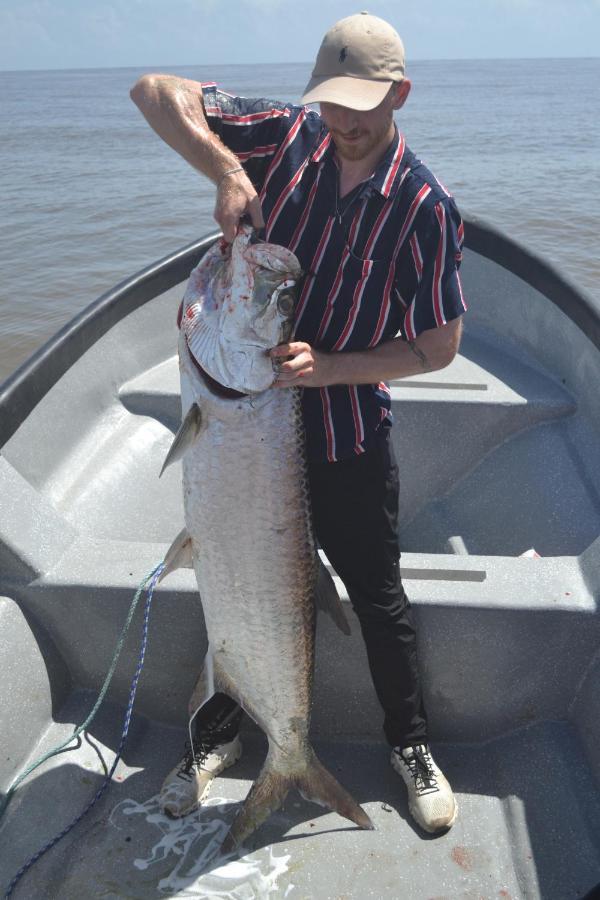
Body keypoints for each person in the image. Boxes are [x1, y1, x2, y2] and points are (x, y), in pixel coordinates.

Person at [131, 11, 467, 835]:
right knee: (233, 582)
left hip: (347, 433)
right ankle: (220, 736)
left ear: (401, 94)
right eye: (333, 104)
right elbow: (155, 91)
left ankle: (410, 745)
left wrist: (332, 368)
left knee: (378, 597)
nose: (347, 123)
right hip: (250, 425)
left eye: (365, 104)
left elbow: (436, 347)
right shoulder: (286, 137)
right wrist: (222, 170)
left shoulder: (425, 206)